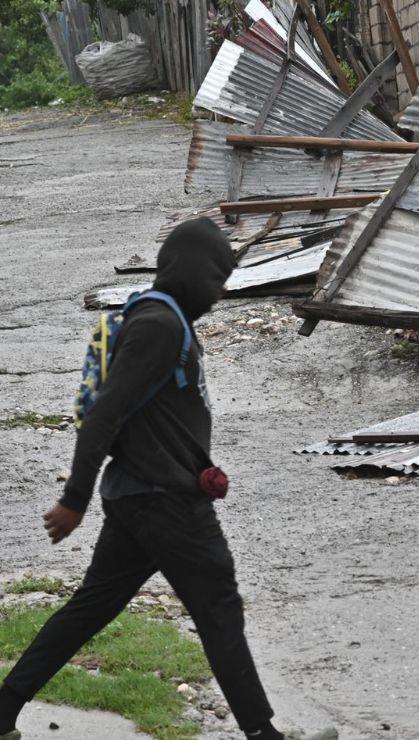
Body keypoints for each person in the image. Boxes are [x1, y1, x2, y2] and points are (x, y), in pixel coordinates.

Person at [0, 219, 333, 740]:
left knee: (93, 606)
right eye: (217, 277)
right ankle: (265, 735)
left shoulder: (166, 319)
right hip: (167, 502)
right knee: (219, 607)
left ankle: (2, 710)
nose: (220, 291)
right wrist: (74, 499)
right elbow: (104, 415)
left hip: (142, 496)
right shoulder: (159, 325)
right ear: (189, 270)